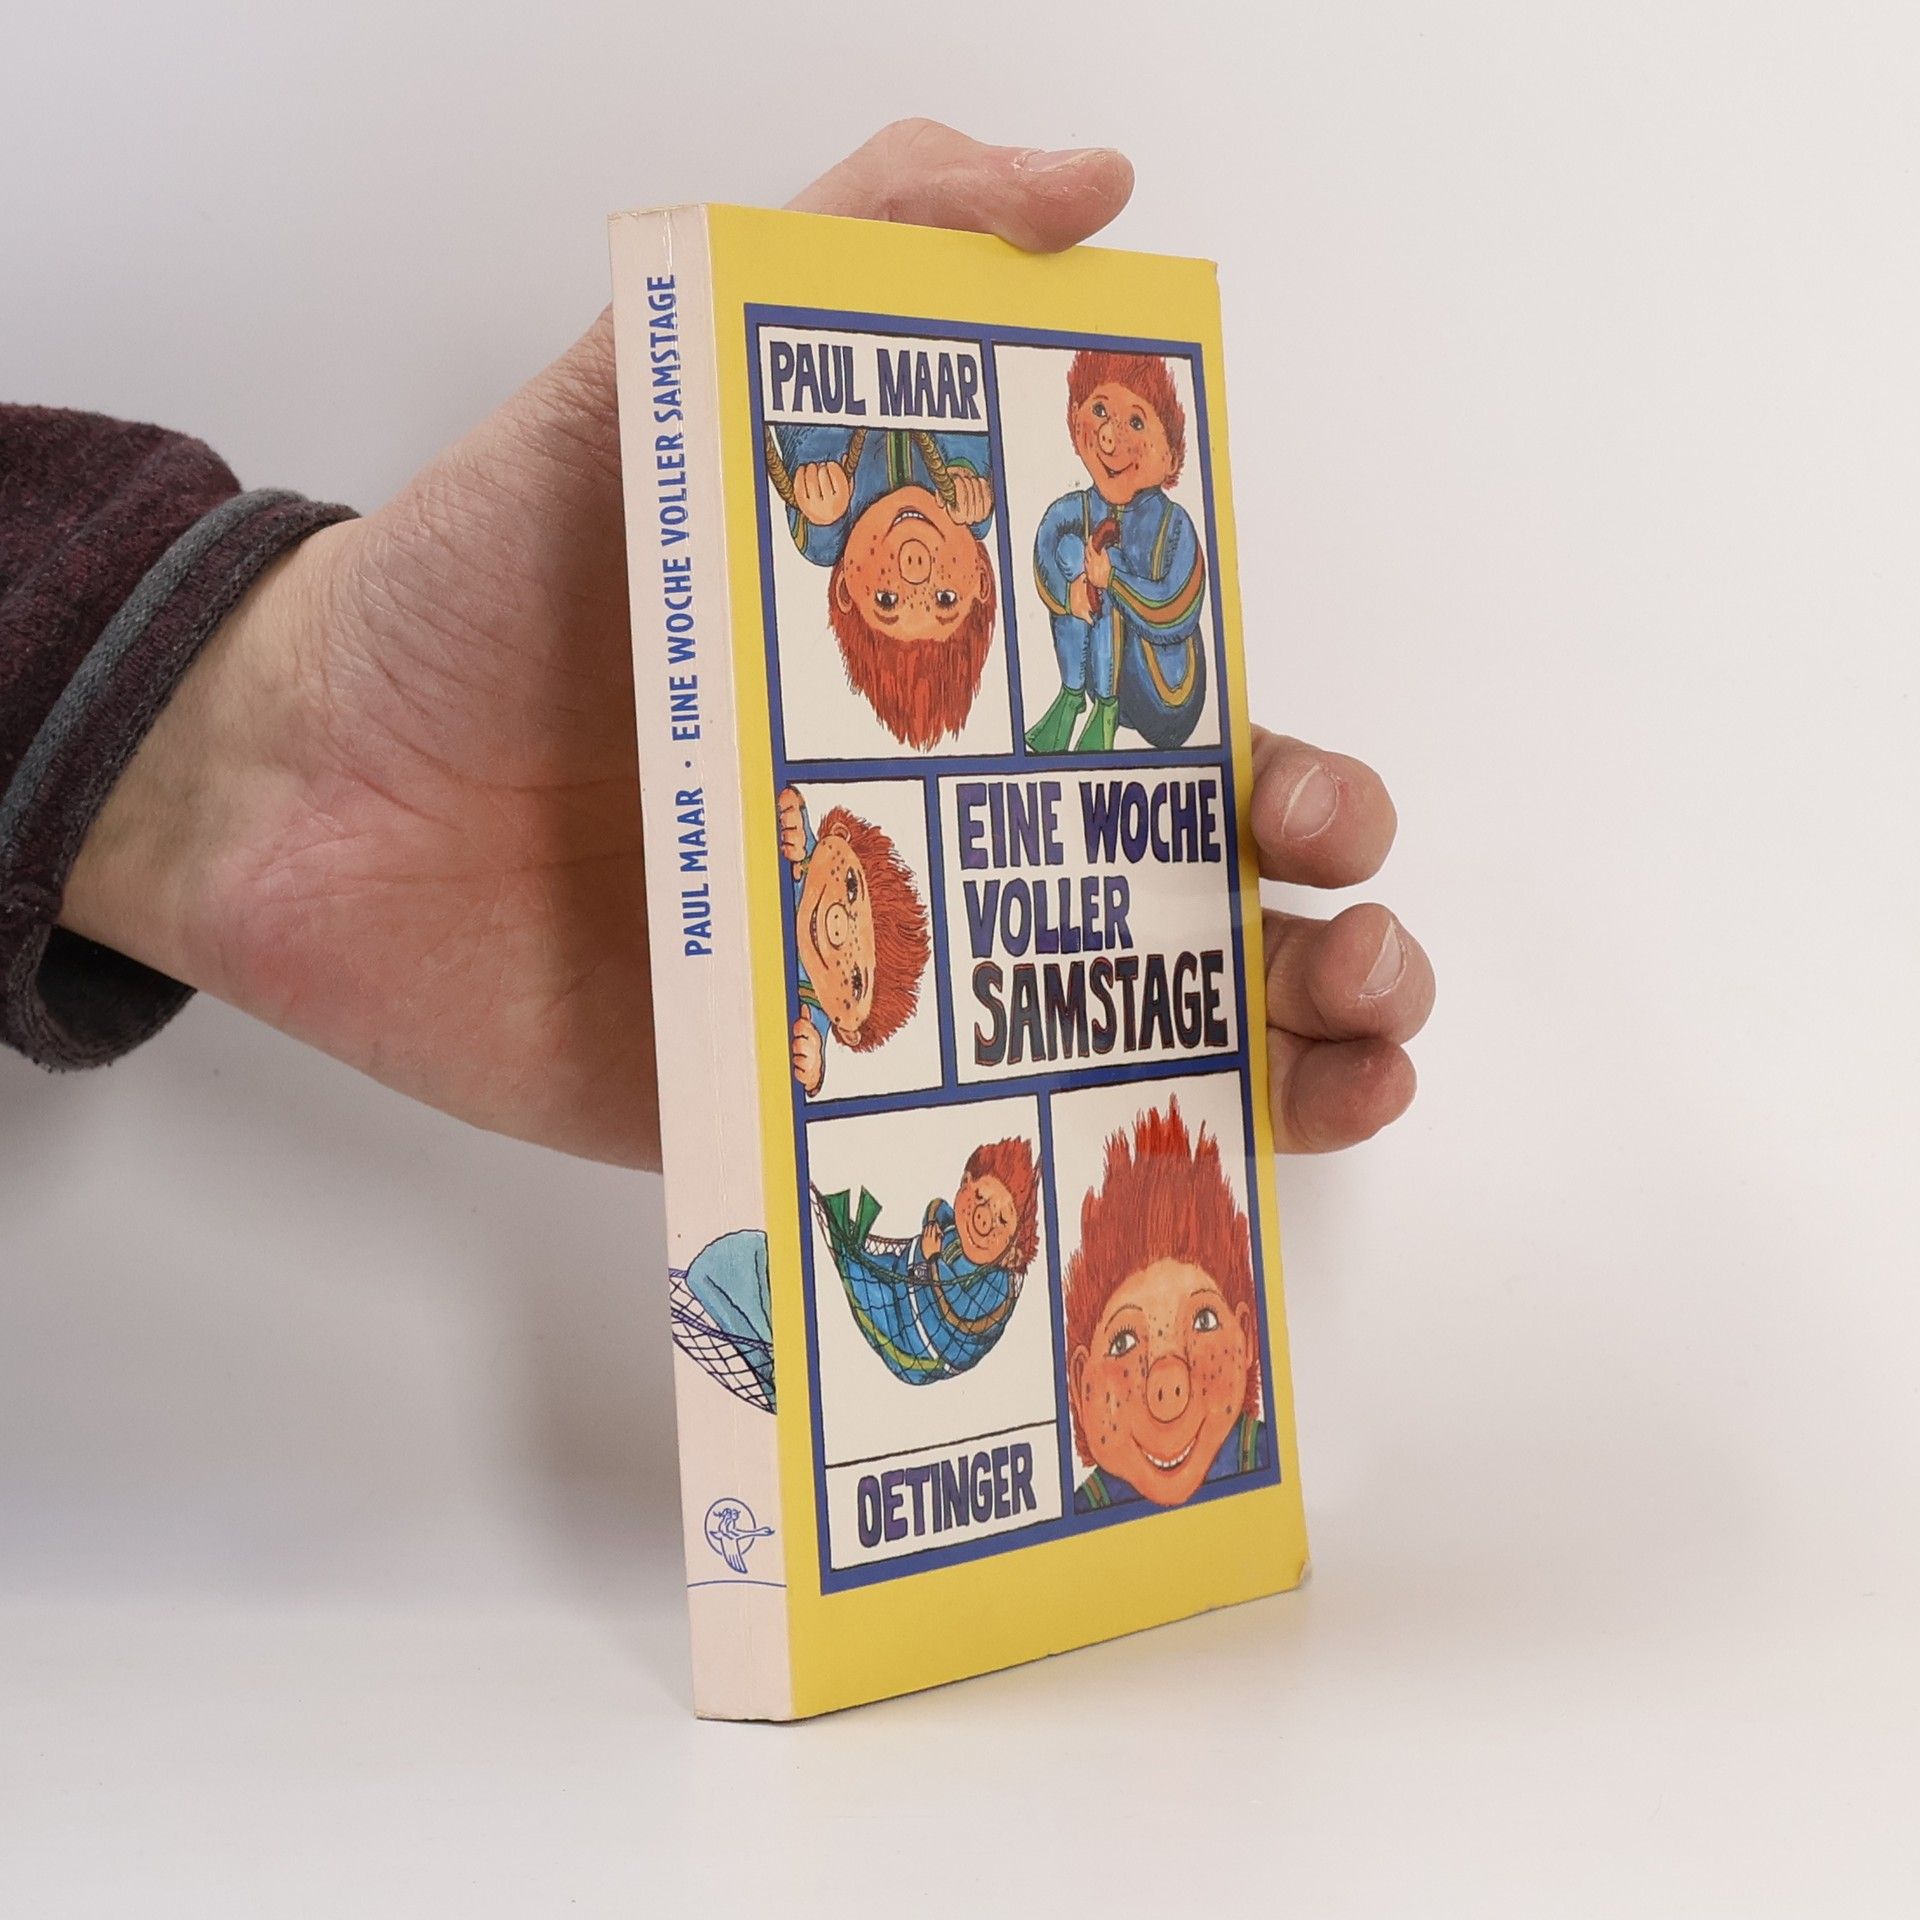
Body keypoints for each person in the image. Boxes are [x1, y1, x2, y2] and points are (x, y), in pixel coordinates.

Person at [0, 119, 1434, 1167]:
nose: (917, 576)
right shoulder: (861, 489)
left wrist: (264, 738)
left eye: (933, 602)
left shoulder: (951, 513)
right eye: (905, 595)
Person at [1065, 1098, 1264, 1512]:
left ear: (1245, 1335)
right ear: (1081, 1383)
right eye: (1122, 1343)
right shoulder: (1085, 1507)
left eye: (1204, 1320)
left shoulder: (1261, 1454)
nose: (1169, 1387)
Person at [766, 422, 998, 748]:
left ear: (845, 590)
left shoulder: (821, 536)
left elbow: (791, 418)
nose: (914, 569)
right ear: (982, 580)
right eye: (945, 599)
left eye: (887, 600)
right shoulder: (977, 509)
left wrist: (817, 482)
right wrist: (964, 468)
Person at [1026, 351, 1208, 753]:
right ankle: (1072, 697)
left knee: (1107, 561)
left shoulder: (1174, 523)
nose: (1109, 436)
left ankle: (1105, 710)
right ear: (1075, 419)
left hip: (1164, 694)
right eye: (1100, 411)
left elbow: (1177, 609)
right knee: (1072, 550)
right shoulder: (1076, 508)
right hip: (1097, 676)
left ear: (1170, 457)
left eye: (1136, 423)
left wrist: (1114, 580)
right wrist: (1071, 595)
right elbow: (1045, 549)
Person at [813, 1135, 1040, 1384]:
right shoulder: (954, 1232)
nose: (983, 1220)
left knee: (864, 1283)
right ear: (965, 1183)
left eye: (1002, 1220)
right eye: (979, 1197)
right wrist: (932, 1226)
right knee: (878, 1263)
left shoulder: (995, 1290)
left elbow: (957, 1311)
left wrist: (932, 1261)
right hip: (904, 1277)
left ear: (1011, 1254)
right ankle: (849, 1242)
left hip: (917, 1343)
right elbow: (938, 1209)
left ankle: (846, 1249)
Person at [775, 783, 930, 1097]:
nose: (839, 927)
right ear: (839, 835)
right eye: (851, 886)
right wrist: (796, 825)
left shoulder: (814, 1010)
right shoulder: (806, 857)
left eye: (857, 980)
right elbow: (791, 804)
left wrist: (814, 1066)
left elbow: (810, 1065)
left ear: (848, 1031)